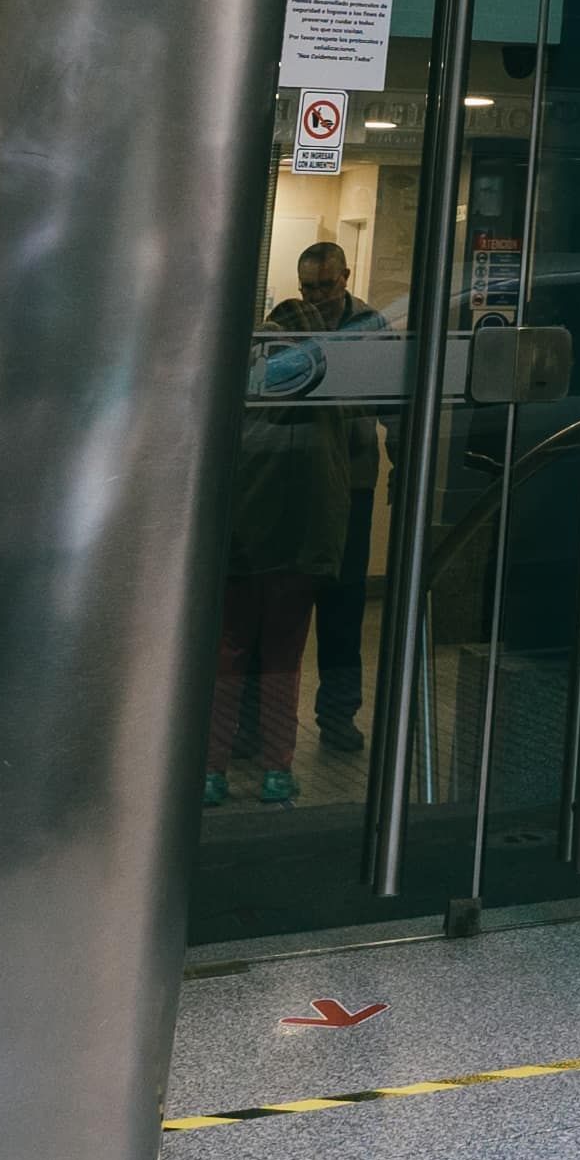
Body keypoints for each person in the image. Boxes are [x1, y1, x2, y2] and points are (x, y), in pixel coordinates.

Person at [214, 241, 369, 806]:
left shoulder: (248, 385)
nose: (319, 296)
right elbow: (361, 428)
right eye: (310, 289)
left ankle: (214, 765)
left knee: (233, 652)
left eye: (326, 285)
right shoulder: (326, 385)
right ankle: (274, 762)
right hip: (306, 534)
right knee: (283, 652)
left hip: (249, 539)